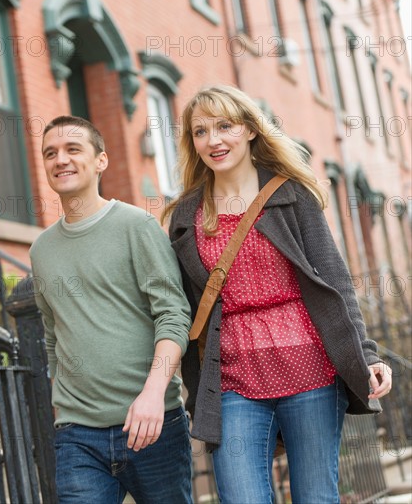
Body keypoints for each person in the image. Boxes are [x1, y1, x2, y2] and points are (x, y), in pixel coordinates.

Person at [163, 85, 392, 504]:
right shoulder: (187, 214)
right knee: (241, 496)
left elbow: (335, 281)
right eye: (200, 132)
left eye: (224, 126)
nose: (213, 140)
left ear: (250, 130)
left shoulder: (292, 195)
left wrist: (368, 353)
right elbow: (180, 303)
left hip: (310, 369)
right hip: (230, 379)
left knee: (315, 495)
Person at [29, 115, 193, 504]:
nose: (60, 160)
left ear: (101, 160)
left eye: (73, 149)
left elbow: (173, 314)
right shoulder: (41, 250)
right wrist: (59, 403)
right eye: (50, 153)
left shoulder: (136, 226)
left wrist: (154, 394)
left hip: (153, 422)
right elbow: (53, 334)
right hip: (78, 434)